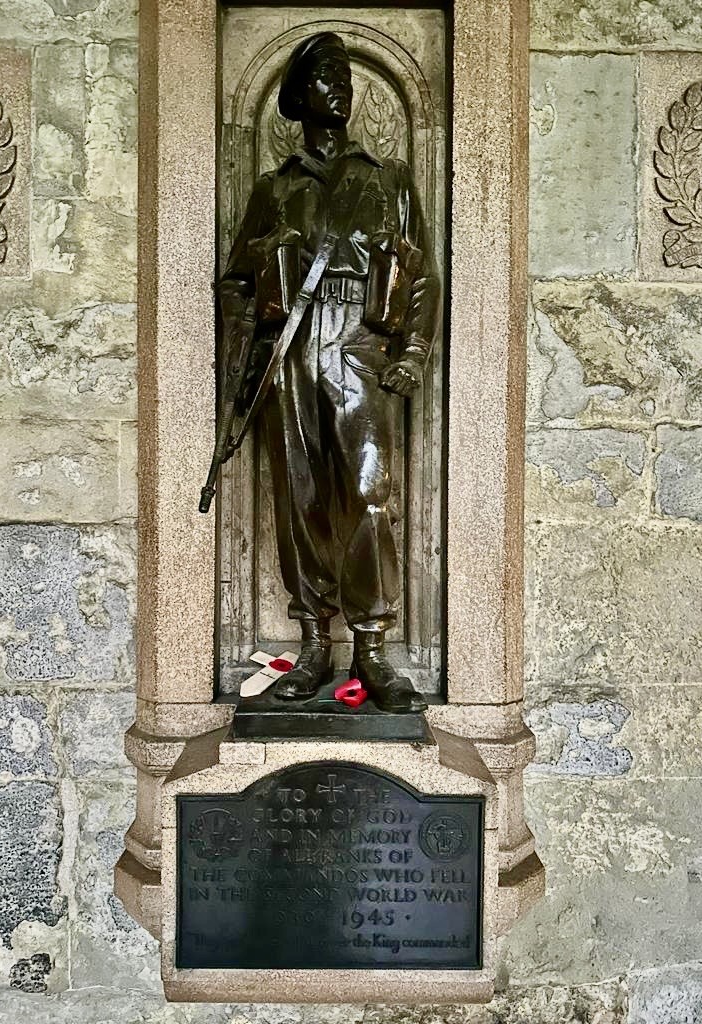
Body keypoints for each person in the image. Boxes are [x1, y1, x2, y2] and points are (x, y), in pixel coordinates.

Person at [218, 32, 440, 713]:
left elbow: (423, 276)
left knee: (372, 495)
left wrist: (413, 352)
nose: (341, 86)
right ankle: (315, 641)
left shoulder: (388, 178)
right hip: (291, 350)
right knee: (301, 497)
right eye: (326, 76)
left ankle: (372, 647)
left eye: (346, 74)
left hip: (361, 344)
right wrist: (257, 309)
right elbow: (230, 288)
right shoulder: (273, 189)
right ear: (299, 97)